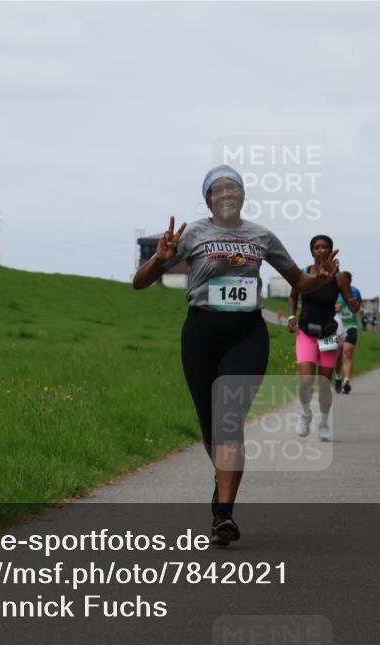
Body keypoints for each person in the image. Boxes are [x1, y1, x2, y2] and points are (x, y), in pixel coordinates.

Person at [132, 165, 339, 547]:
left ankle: (223, 514)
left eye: (234, 188)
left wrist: (321, 279)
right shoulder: (192, 233)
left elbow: (300, 282)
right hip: (200, 332)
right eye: (219, 188)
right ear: (208, 198)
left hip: (246, 334)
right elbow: (139, 283)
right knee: (211, 427)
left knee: (229, 421)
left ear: (243, 195)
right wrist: (160, 259)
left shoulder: (261, 236)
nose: (227, 193)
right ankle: (223, 480)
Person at [287, 235, 361, 441]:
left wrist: (354, 304)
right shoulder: (303, 274)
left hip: (328, 334)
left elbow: (351, 302)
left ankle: (324, 422)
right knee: (306, 380)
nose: (321, 250)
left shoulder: (340, 278)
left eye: (325, 247)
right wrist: (292, 315)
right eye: (317, 247)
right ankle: (305, 413)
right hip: (306, 333)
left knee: (324, 382)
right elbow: (293, 296)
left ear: (330, 251)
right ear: (312, 252)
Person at [333, 271, 363, 394]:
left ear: (349, 281)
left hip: (351, 325)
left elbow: (359, 305)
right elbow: (335, 307)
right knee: (336, 357)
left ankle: (347, 381)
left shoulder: (355, 291)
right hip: (336, 326)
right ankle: (338, 377)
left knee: (347, 353)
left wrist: (360, 309)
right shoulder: (334, 291)